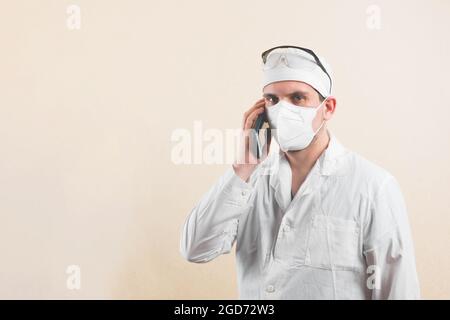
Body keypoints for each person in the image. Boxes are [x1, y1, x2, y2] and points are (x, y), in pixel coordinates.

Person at [179, 45, 420, 299]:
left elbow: (399, 290)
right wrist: (243, 167)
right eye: (272, 99)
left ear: (328, 108)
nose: (283, 110)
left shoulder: (373, 186)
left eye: (297, 98)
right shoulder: (249, 182)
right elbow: (195, 248)